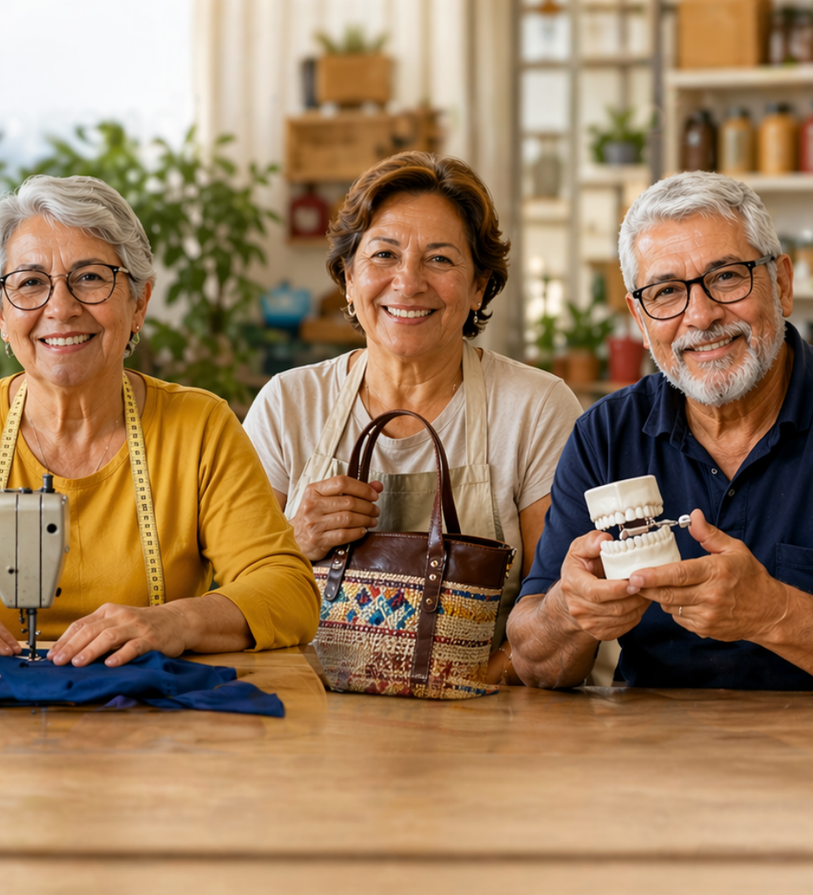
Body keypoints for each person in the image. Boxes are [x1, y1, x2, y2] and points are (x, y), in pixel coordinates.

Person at [0, 174, 317, 667]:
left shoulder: (199, 427)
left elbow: (288, 590)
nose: (60, 308)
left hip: (152, 730)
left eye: (90, 277)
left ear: (139, 302)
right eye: (30, 283)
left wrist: (174, 621)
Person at [243, 152, 583, 674]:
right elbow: (233, 598)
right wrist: (293, 541)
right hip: (314, 723)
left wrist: (468, 685)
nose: (409, 282)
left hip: (484, 723)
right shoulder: (288, 404)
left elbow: (564, 622)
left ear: (478, 288)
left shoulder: (535, 408)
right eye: (383, 255)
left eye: (441, 259)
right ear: (348, 280)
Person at [509, 171, 813, 691]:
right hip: (651, 758)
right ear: (640, 321)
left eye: (728, 277)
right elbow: (534, 664)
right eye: (666, 292)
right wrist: (570, 612)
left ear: (782, 284)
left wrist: (774, 613)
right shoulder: (605, 436)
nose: (701, 316)